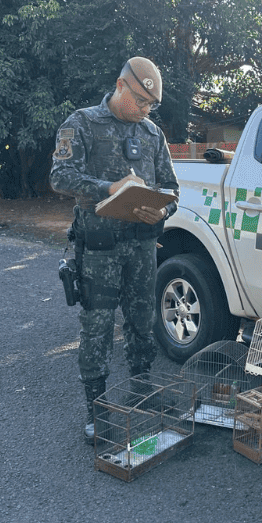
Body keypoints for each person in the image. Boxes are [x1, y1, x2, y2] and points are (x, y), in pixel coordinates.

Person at [50, 57, 179, 442]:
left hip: (142, 246)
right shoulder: (83, 123)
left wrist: (160, 208)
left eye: (149, 106)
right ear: (121, 86)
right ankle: (97, 410)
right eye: (140, 101)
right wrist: (109, 189)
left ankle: (142, 388)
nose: (143, 110)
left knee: (143, 322)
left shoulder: (153, 134)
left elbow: (171, 188)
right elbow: (59, 176)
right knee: (98, 328)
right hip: (99, 251)